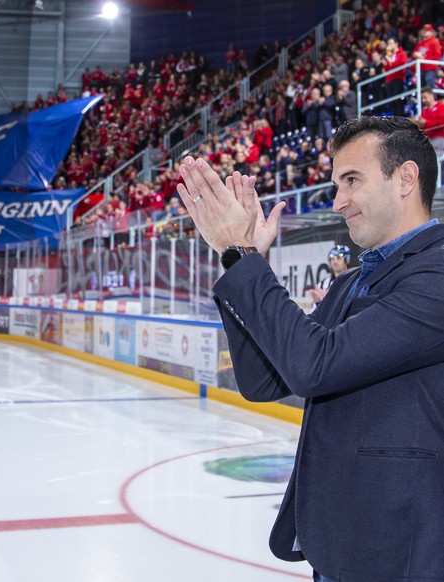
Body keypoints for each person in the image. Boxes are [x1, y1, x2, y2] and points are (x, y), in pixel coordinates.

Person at [176, 115, 444, 581]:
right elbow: (265, 380)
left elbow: (313, 367)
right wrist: (245, 262)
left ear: (405, 178)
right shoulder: (351, 284)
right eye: (336, 184)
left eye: (352, 180)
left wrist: (241, 258)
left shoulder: (436, 275)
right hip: (341, 544)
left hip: (402, 552)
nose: (338, 201)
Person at [412, 86, 444, 158]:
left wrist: (426, 123)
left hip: (439, 139)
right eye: (422, 98)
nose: (423, 100)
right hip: (427, 141)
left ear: (431, 95)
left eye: (425, 97)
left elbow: (442, 123)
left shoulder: (440, 106)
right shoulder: (424, 111)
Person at [412, 24, 442, 89]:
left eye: (427, 30)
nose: (425, 31)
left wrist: (424, 58)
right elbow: (414, 56)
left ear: (431, 32)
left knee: (429, 88)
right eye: (424, 30)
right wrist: (415, 55)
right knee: (421, 89)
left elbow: (437, 56)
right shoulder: (420, 44)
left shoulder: (434, 42)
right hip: (420, 69)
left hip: (430, 69)